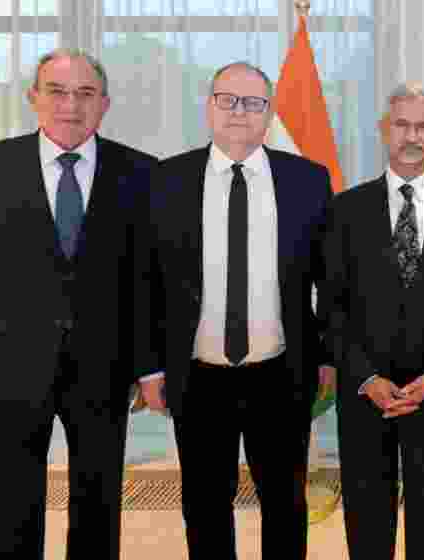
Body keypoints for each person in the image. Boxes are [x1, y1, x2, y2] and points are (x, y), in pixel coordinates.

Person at [0, 49, 156, 560]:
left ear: (104, 104)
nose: (70, 105)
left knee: (97, 507)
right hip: (7, 371)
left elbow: (150, 281)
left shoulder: (141, 172)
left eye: (85, 93)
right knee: (10, 511)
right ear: (33, 98)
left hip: (104, 370)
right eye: (57, 91)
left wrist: (149, 365)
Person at [138, 61, 333, 559]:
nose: (239, 112)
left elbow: (331, 281)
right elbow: (146, 280)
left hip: (280, 373)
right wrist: (149, 365)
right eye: (228, 99)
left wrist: (328, 356)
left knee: (286, 504)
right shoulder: (166, 179)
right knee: (204, 506)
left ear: (269, 113)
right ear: (209, 107)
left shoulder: (308, 180)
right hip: (198, 376)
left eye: (253, 102)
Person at [323, 83, 424, 560]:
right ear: (383, 130)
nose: (412, 136)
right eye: (402, 124)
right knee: (367, 515)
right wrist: (367, 376)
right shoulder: (345, 209)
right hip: (364, 391)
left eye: (423, 126)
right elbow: (331, 306)